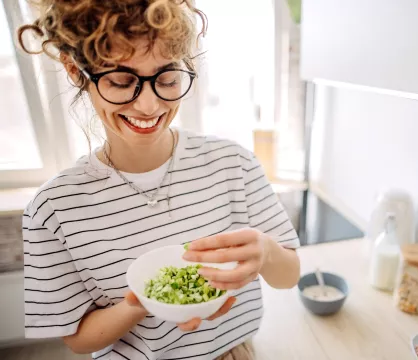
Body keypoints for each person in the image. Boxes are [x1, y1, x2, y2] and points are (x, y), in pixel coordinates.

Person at [19, 1, 301, 359]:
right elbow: (78, 338)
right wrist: (140, 302)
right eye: (122, 81)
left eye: (167, 78)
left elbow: (288, 276)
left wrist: (265, 251)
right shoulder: (53, 210)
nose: (150, 106)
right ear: (75, 70)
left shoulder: (234, 164)